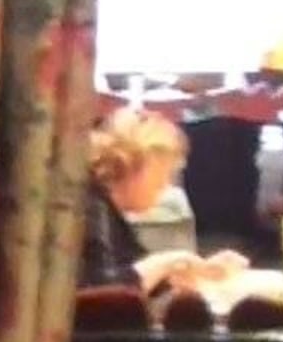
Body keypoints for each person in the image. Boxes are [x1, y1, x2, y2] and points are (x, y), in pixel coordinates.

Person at [82, 108, 244, 296]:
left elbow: (135, 270)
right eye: (164, 171)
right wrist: (171, 261)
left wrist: (199, 270)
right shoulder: (92, 206)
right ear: (137, 164)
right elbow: (105, 289)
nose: (165, 184)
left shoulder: (109, 209)